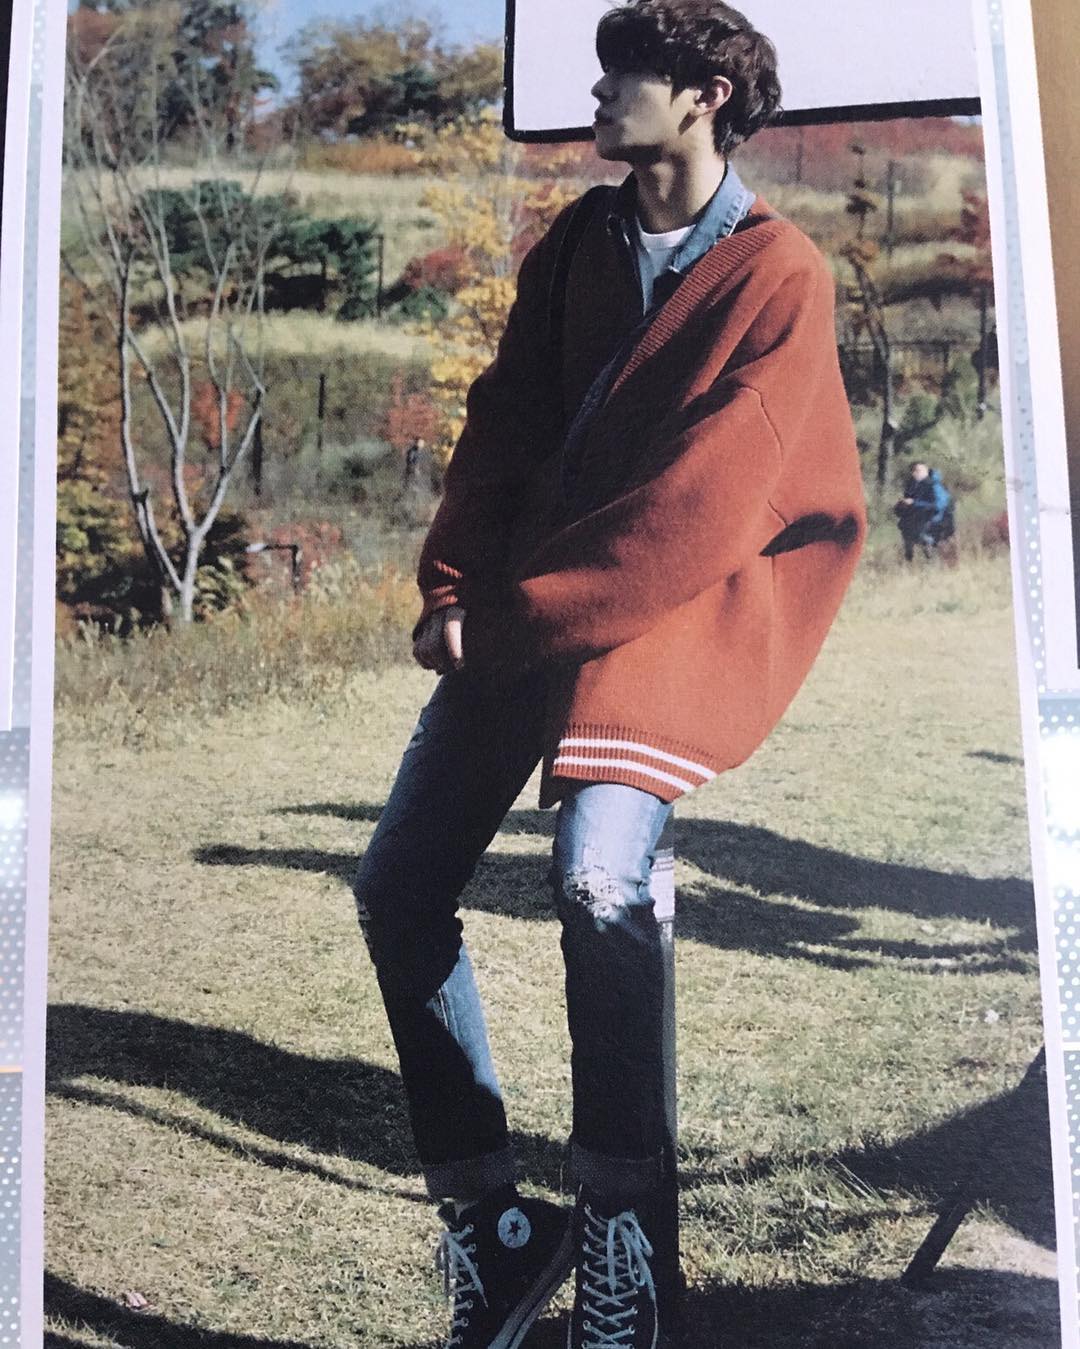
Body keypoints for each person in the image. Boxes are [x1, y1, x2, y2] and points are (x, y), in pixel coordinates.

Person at [351, 3, 867, 1345]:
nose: (596, 94)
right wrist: (455, 583)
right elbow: (502, 423)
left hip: (662, 614)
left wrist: (514, 613)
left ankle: (629, 1247)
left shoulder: (779, 272)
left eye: (621, 74)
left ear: (703, 96)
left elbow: (704, 505)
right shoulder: (579, 242)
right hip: (527, 610)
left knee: (599, 882)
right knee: (397, 885)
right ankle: (495, 1223)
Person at [895, 461, 955, 561]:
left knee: (926, 542)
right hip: (919, 522)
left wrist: (914, 503)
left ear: (926, 471)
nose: (915, 473)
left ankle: (932, 561)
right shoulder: (913, 486)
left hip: (935, 522)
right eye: (913, 471)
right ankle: (910, 562)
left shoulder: (934, 485)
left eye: (918, 470)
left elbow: (938, 506)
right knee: (908, 536)